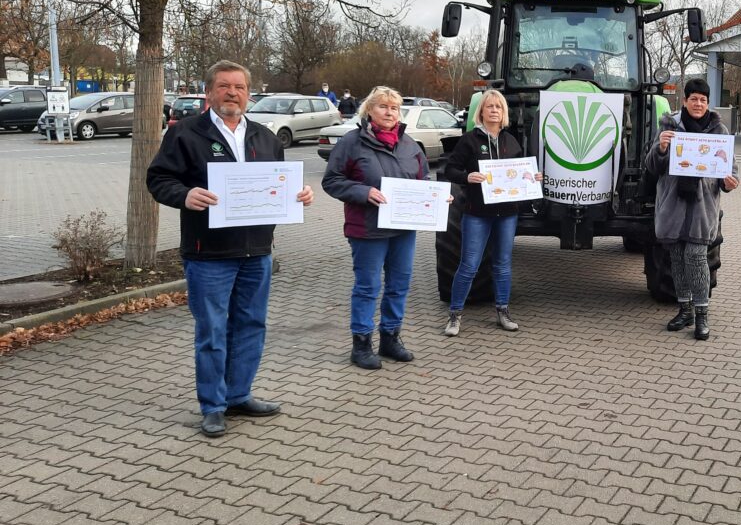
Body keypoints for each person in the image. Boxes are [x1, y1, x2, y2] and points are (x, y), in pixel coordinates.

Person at [147, 60, 315, 438]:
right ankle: (213, 405)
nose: (232, 93)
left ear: (249, 94)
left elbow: (278, 185)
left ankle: (239, 394)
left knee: (252, 325)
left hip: (257, 251)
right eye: (224, 86)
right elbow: (158, 178)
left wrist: (299, 194)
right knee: (212, 330)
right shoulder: (186, 134)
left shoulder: (265, 137)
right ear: (209, 92)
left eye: (239, 87)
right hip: (209, 253)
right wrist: (185, 194)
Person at [322, 86, 428, 369]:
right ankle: (362, 344)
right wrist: (363, 192)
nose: (389, 112)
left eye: (394, 108)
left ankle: (391, 338)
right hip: (367, 228)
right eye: (383, 106)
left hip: (404, 228)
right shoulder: (352, 142)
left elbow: (424, 179)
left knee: (399, 285)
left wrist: (438, 198)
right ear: (369, 110)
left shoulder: (410, 145)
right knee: (368, 287)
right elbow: (331, 180)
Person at [644, 78, 739, 341]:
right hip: (673, 205)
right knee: (676, 258)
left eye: (703, 100)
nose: (698, 104)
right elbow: (652, 167)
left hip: (701, 208)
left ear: (708, 103)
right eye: (694, 99)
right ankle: (684, 310)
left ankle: (701, 316)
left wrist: (730, 182)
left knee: (696, 259)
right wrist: (662, 148)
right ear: (684, 101)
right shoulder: (669, 127)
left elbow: (730, 171)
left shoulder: (718, 132)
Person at [442, 89, 541, 336]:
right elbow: (450, 169)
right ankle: (455, 315)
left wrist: (532, 176)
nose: (494, 110)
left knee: (502, 264)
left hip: (507, 214)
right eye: (490, 107)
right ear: (482, 111)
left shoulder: (511, 141)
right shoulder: (469, 141)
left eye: (498, 107)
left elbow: (520, 174)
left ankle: (503, 311)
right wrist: (466, 176)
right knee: (469, 265)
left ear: (504, 112)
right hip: (477, 213)